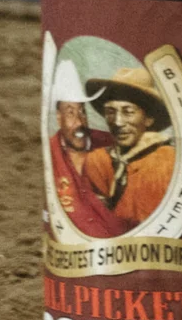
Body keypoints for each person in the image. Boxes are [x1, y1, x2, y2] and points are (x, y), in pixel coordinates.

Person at [79, 74, 177, 229]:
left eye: (128, 112)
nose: (118, 122)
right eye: (110, 112)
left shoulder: (169, 160)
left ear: (148, 119)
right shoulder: (98, 160)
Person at [48, 80, 126, 240]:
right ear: (58, 118)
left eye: (82, 112)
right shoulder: (51, 152)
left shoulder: (111, 145)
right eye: (70, 113)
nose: (79, 121)